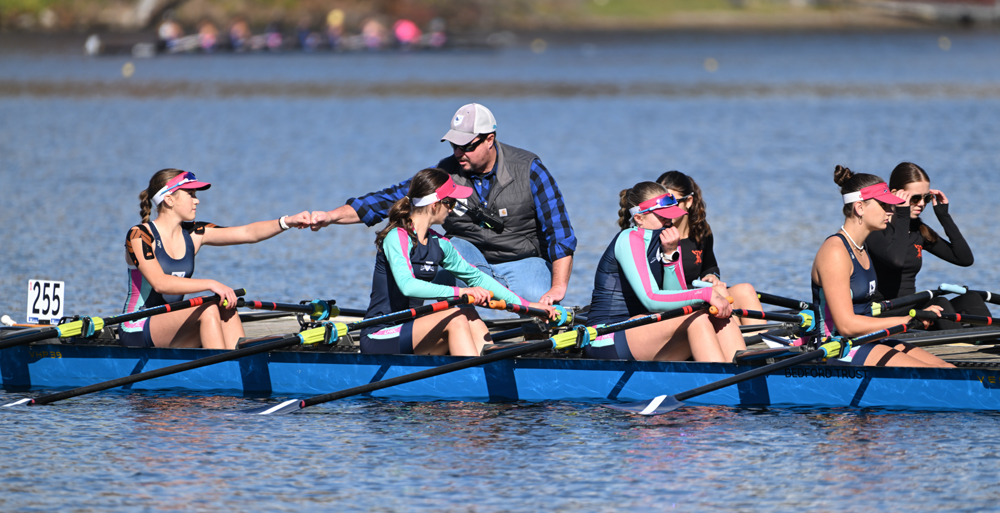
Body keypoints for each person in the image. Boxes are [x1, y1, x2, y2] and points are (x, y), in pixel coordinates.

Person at [311, 103, 577, 305]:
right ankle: (451, 330)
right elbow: (388, 199)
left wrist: (557, 289)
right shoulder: (446, 172)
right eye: (453, 145)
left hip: (521, 260)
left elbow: (560, 234)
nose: (458, 153)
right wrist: (330, 217)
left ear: (489, 139)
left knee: (539, 303)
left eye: (466, 146)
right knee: (444, 249)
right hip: (467, 258)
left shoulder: (529, 169)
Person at [361, 168, 555, 356]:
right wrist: (461, 292)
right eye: (451, 203)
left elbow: (477, 278)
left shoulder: (439, 243)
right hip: (380, 334)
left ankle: (490, 366)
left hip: (410, 330)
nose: (452, 210)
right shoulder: (397, 236)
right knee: (455, 317)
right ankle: (474, 380)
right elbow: (407, 286)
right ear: (435, 204)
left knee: (466, 312)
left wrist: (529, 306)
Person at [121, 169, 311, 350]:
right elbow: (160, 283)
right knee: (208, 308)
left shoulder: (194, 233)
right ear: (169, 199)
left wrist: (287, 222)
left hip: (172, 324)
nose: (197, 201)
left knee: (225, 304)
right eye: (191, 195)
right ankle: (223, 371)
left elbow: (247, 233)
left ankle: (237, 362)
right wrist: (212, 284)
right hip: (137, 327)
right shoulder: (140, 235)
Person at [810, 166, 952, 368]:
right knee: (935, 376)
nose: (890, 211)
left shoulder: (860, 248)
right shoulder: (835, 252)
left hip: (866, 339)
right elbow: (847, 325)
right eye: (884, 205)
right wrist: (908, 321)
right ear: (860, 208)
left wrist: (914, 317)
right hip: (837, 347)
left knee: (947, 369)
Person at [586, 182, 745, 362]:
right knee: (697, 318)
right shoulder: (629, 239)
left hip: (644, 327)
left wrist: (671, 256)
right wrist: (704, 293)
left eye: (671, 216)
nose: (669, 222)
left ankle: (744, 370)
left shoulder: (667, 240)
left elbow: (676, 302)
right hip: (606, 336)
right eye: (663, 217)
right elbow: (651, 299)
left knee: (714, 309)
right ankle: (723, 381)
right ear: (639, 218)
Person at [867, 162, 989, 330]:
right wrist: (902, 214)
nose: (922, 204)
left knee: (972, 298)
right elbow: (896, 260)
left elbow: (964, 259)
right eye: (915, 198)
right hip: (884, 313)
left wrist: (944, 216)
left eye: (926, 198)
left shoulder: (918, 230)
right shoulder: (875, 230)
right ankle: (956, 348)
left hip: (913, 308)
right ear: (895, 194)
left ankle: (988, 347)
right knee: (940, 303)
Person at [656, 170, 766, 326]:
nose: (666, 210)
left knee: (746, 290)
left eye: (673, 202)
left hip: (702, 299)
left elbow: (710, 266)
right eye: (661, 204)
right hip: (674, 306)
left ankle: (761, 342)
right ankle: (738, 342)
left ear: (688, 202)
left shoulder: (701, 231)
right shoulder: (653, 237)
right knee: (721, 293)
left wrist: (712, 277)